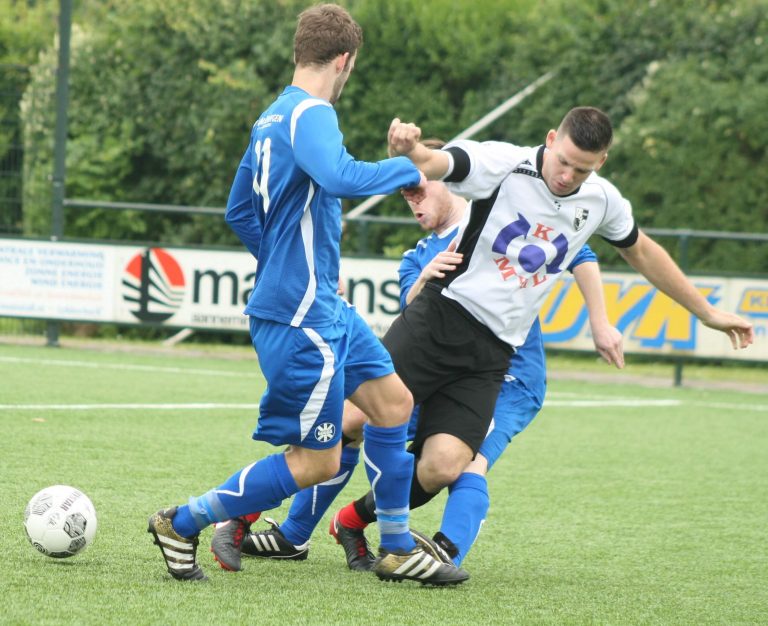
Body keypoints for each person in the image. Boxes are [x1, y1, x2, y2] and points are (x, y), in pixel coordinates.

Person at [332, 107, 752, 562]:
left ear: (602, 163)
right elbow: (440, 164)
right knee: (351, 418)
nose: (569, 175)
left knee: (444, 465)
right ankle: (256, 511)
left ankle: (354, 524)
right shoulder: (504, 164)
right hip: (442, 318)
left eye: (583, 169)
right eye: (564, 161)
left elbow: (644, 252)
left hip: (494, 352)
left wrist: (706, 310)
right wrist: (410, 150)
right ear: (551, 139)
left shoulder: (602, 201)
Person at [147, 3, 467, 586]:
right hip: (301, 320)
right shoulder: (312, 113)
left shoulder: (269, 118)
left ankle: (394, 546)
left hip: (323, 309)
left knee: (393, 405)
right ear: (344, 60)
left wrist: (290, 266)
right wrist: (406, 170)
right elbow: (342, 176)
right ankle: (183, 521)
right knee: (317, 461)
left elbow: (239, 210)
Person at [225, 140, 623, 571]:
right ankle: (286, 531)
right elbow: (415, 313)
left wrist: (601, 322)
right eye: (405, 193)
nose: (412, 199)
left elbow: (579, 250)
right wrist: (424, 281)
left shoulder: (495, 213)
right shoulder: (414, 259)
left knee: (460, 466)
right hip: (439, 366)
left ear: (449, 181)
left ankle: (417, 544)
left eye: (419, 188)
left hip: (507, 376)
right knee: (349, 421)